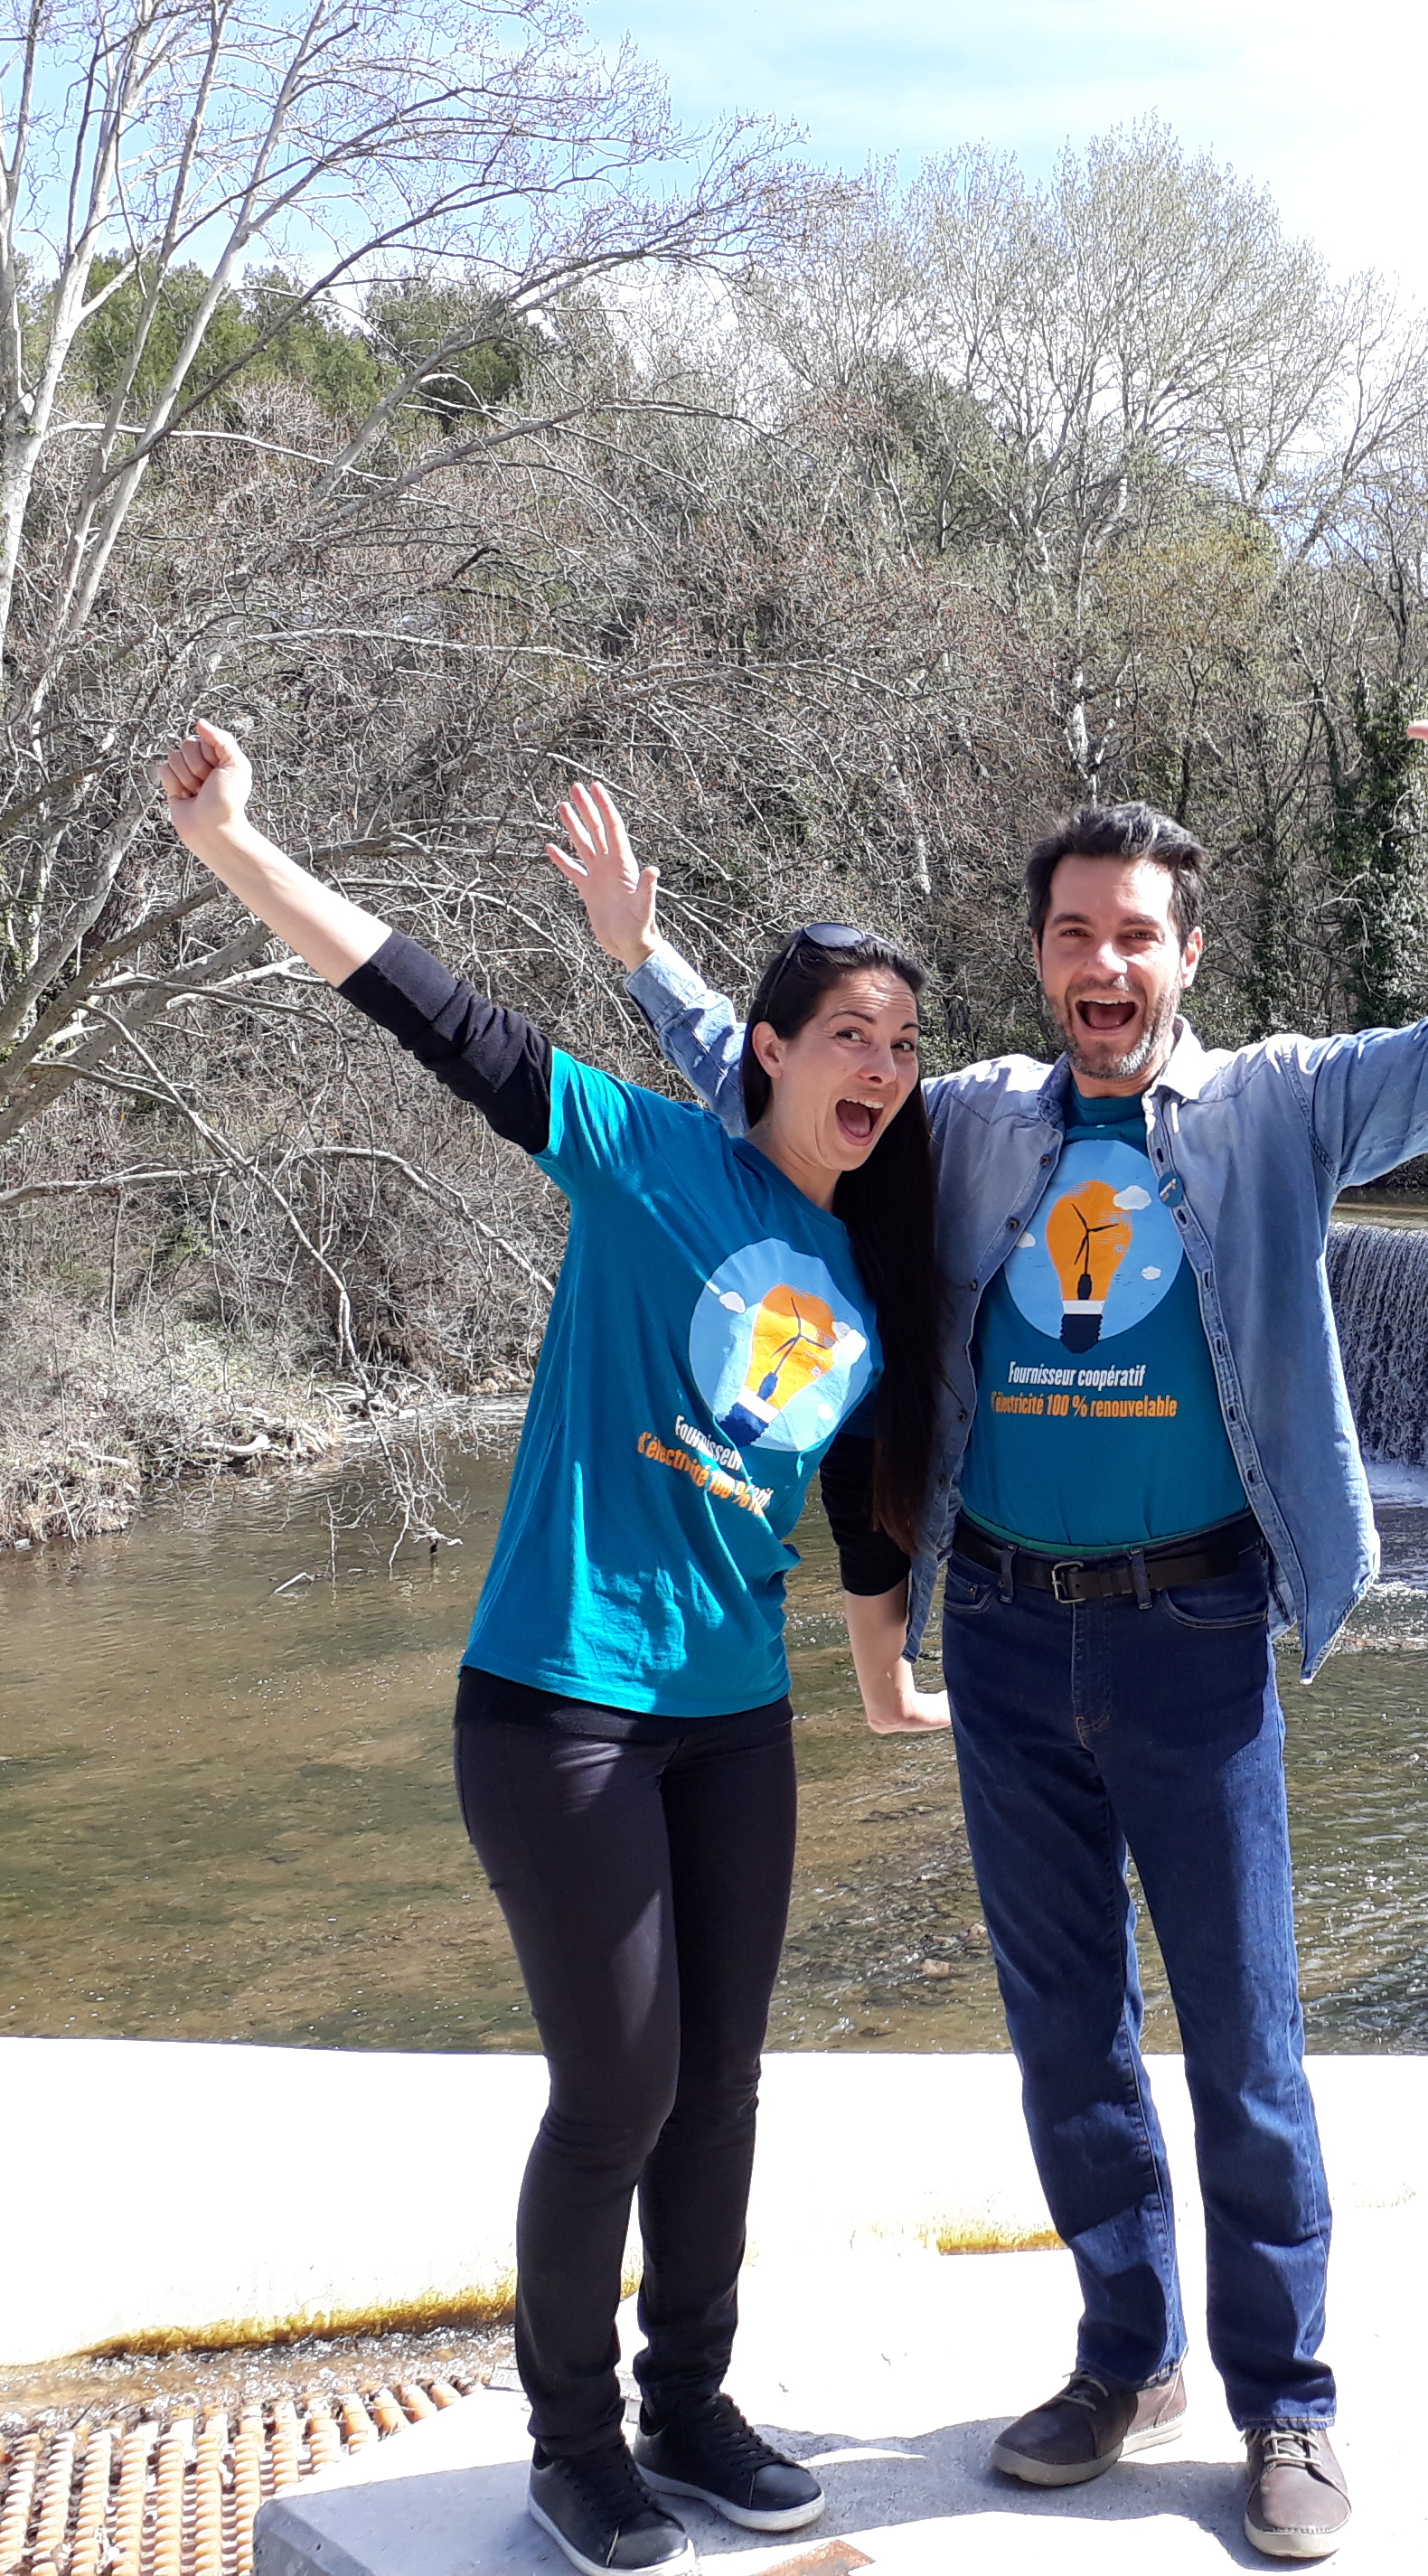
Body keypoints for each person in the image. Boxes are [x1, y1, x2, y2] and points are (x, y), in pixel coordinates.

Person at [552, 606, 1428, 2562]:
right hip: (1010, 1634)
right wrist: (646, 962)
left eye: (1140, 935)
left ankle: (1290, 2403)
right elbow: (775, 1092)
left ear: (1191, 957)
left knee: (1248, 2040)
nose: (1106, 966)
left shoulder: (1280, 1104)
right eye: (1075, 933)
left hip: (1195, 1632)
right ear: (1041, 954)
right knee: (1066, 2029)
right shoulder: (973, 1125)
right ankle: (1130, 2351)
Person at [159, 721, 945, 2576]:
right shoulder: (643, 1154)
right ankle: (573, 2442)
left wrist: (883, 1681)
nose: (886, 1072)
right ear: (765, 1048)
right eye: (852, 1037)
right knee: (620, 2089)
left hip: (732, 1723)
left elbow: (860, 1519)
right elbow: (424, 1007)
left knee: (726, 2083)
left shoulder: (865, 1276)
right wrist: (236, 851)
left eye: (904, 1049)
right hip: (561, 1704)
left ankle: (691, 2408)